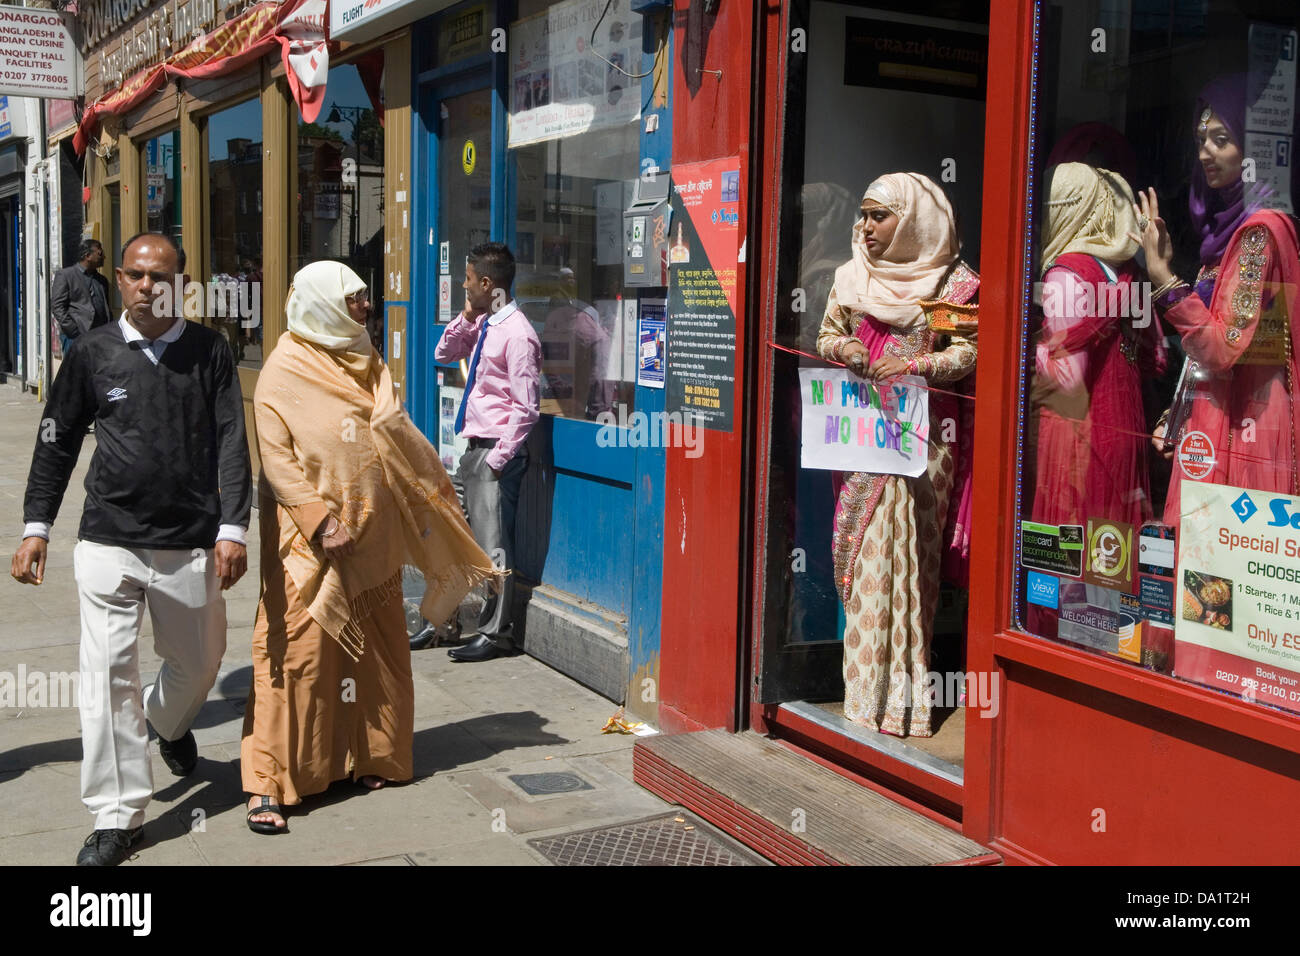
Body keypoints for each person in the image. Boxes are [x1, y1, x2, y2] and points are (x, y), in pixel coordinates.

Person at [11, 232, 251, 866]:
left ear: (182, 281)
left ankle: (168, 725)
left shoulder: (210, 351)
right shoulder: (92, 353)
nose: (150, 287)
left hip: (190, 541)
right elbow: (56, 441)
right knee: (109, 676)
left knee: (201, 663)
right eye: (138, 275)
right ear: (119, 279)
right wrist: (37, 525)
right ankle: (118, 816)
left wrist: (233, 528)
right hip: (108, 540)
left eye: (162, 276)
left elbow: (231, 439)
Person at [242, 262, 496, 833]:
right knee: (297, 659)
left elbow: (388, 427)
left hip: (371, 535)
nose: (364, 308)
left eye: (363, 298)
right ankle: (271, 782)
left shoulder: (365, 355)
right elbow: (278, 463)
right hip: (311, 543)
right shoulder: (283, 369)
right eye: (353, 300)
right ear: (322, 304)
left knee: (376, 654)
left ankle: (370, 757)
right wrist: (318, 520)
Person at [816, 172, 978, 738]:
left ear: (913, 221)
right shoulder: (852, 277)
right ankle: (862, 701)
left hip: (924, 443)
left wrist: (917, 366)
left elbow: (970, 352)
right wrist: (850, 348)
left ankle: (903, 707)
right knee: (865, 564)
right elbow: (825, 336)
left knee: (910, 568)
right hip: (861, 438)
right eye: (862, 215)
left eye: (878, 216)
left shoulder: (953, 286)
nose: (865, 227)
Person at [1135, 77, 1300, 521]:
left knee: (1225, 571)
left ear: (1253, 151)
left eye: (1222, 139)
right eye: (1201, 139)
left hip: (1247, 425)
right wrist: (1179, 412)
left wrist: (1164, 279)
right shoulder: (1222, 237)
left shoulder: (1259, 233)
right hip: (1219, 418)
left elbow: (1224, 346)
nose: (1206, 151)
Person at [1032, 163, 1166, 531]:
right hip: (1125, 427)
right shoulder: (1131, 276)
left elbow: (1066, 382)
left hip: (1079, 439)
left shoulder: (1065, 274)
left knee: (1075, 554)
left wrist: (1031, 352)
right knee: (1114, 554)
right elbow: (1157, 359)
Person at [434, 242, 541, 663]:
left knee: (494, 547)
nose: (464, 286)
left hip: (494, 452)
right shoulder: (487, 324)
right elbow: (443, 354)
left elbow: (527, 406)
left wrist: (497, 461)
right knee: (455, 538)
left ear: (486, 283)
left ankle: (497, 633)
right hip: (472, 449)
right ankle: (442, 619)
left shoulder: (518, 334)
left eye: (467, 281)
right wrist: (465, 316)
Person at [51, 239, 111, 357]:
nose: (104, 256)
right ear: (88, 256)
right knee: (76, 373)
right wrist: (73, 331)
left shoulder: (102, 280)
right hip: (76, 337)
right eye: (100, 253)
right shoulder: (66, 275)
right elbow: (57, 306)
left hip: (100, 337)